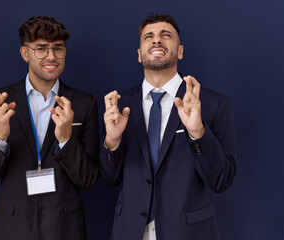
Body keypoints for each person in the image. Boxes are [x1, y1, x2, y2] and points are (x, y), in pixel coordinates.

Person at [100, 13, 236, 240]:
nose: (156, 41)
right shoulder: (118, 106)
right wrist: (112, 142)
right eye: (149, 37)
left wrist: (197, 132)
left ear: (180, 51)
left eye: (166, 35)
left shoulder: (212, 104)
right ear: (139, 54)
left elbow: (222, 179)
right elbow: (109, 178)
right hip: (129, 231)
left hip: (188, 233)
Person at [0, 16, 98, 240]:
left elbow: (88, 180)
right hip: (13, 228)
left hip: (65, 228)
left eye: (58, 48)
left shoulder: (84, 104)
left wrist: (66, 141)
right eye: (41, 48)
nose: (51, 56)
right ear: (24, 53)